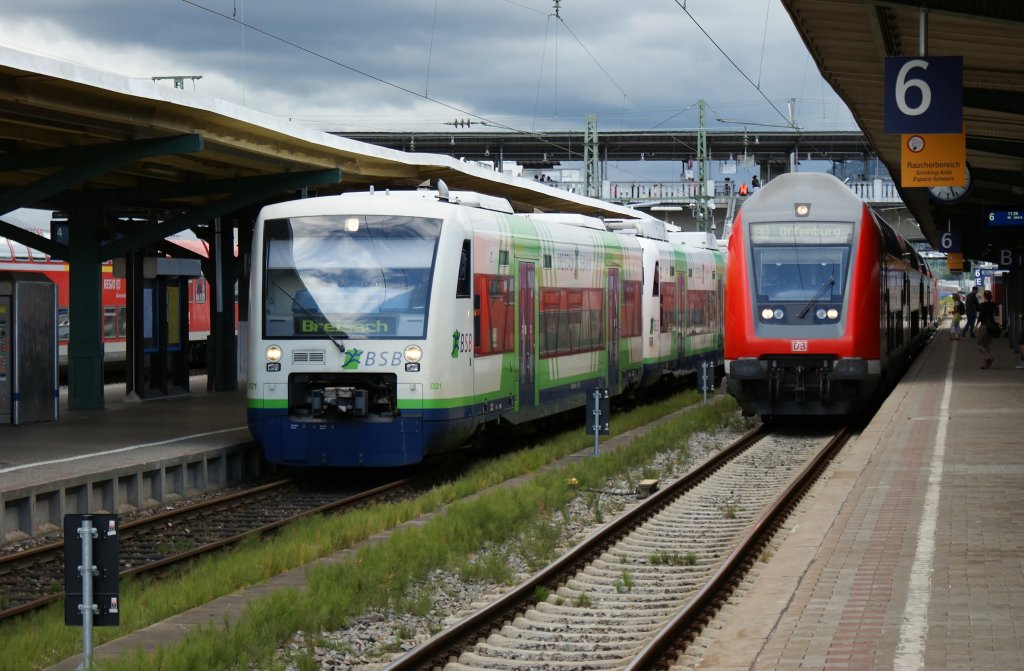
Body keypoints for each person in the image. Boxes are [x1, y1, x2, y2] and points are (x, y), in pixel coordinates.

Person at [975, 289, 999, 369]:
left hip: (985, 326)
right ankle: (985, 364)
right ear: (991, 296)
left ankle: (989, 357)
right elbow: (997, 316)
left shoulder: (983, 305)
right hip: (993, 327)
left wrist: (975, 326)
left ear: (984, 297)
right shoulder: (994, 305)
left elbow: (981, 317)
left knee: (979, 344)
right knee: (986, 346)